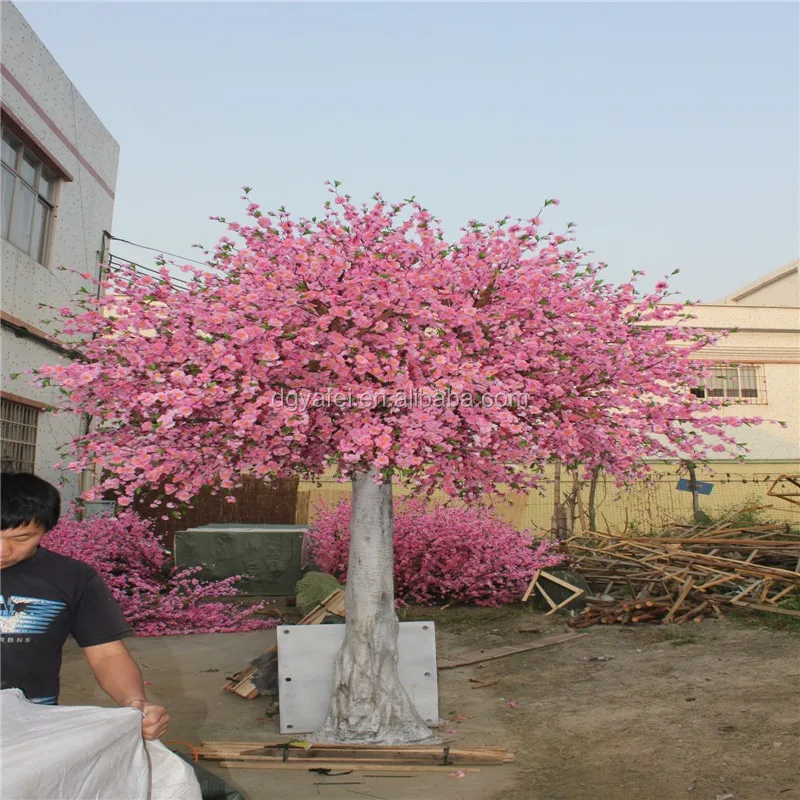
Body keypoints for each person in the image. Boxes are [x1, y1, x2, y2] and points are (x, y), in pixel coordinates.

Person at [0, 472, 169, 741]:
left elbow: (107, 655)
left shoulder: (72, 578)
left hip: (31, 727)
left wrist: (135, 702)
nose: (3, 550)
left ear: (46, 529)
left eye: (21, 539)